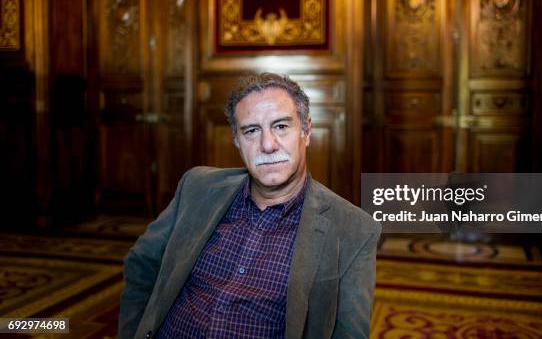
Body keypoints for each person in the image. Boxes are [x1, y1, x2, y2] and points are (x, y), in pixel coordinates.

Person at [118, 73, 381, 339]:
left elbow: (349, 334)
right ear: (236, 140)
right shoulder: (197, 187)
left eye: (281, 126)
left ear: (306, 131)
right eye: (251, 130)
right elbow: (142, 264)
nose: (267, 145)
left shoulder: (353, 229)